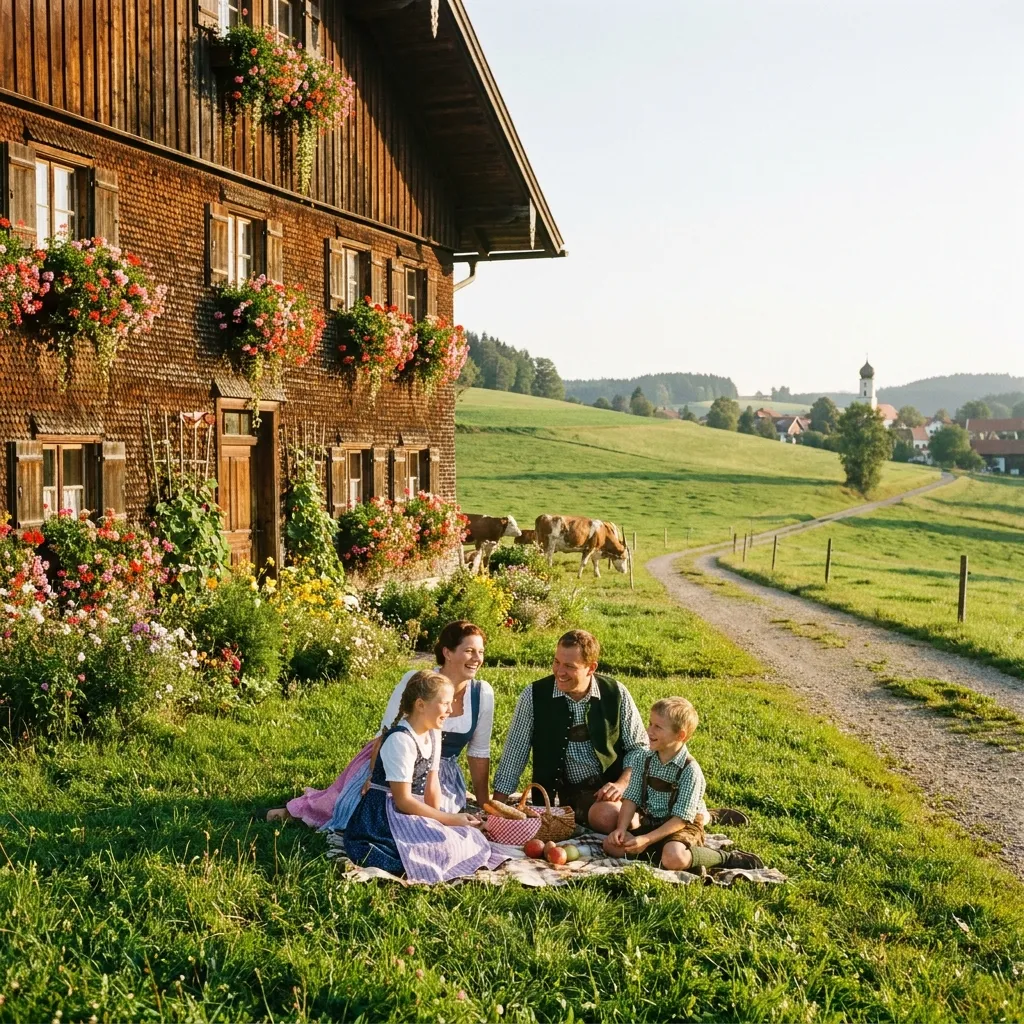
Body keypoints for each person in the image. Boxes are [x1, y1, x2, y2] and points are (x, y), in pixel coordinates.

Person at [268, 621, 493, 828]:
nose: (477, 659)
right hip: (391, 758)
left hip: (438, 775)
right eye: (469, 651)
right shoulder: (419, 681)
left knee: (438, 816)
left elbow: (479, 753)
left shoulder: (482, 693)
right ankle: (295, 813)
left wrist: (486, 806)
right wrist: (374, 775)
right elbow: (387, 731)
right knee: (357, 806)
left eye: (481, 652)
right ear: (447, 653)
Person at [343, 669, 504, 881]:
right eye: (445, 703)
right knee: (433, 852)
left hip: (414, 811)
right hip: (385, 816)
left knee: (466, 838)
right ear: (420, 705)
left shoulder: (433, 733)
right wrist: (449, 818)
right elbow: (403, 801)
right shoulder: (400, 740)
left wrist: (441, 823)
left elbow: (432, 782)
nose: (450, 709)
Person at [491, 629, 649, 827]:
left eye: (569, 666)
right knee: (611, 817)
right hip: (573, 796)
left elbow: (639, 748)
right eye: (556, 662)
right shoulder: (533, 696)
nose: (559, 671)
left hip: (617, 787)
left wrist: (622, 784)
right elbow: (514, 754)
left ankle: (650, 827)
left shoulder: (616, 693)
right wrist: (496, 808)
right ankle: (643, 828)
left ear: (591, 668)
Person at [603, 696, 763, 872]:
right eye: (650, 724)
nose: (649, 731)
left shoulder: (690, 770)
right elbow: (631, 798)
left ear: (680, 735)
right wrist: (621, 829)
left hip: (682, 825)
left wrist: (647, 840)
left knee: (674, 857)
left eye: (658, 727)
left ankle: (724, 857)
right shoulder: (643, 759)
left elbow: (680, 819)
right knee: (610, 846)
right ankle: (675, 857)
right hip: (652, 822)